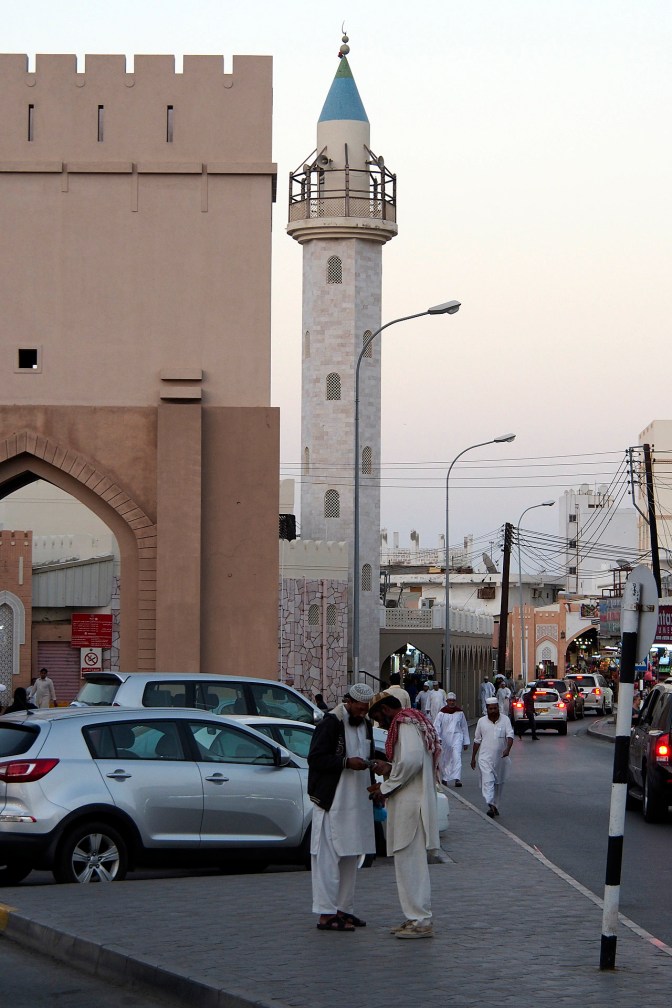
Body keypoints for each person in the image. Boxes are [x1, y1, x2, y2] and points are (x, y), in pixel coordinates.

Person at [307, 682, 383, 932]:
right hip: (333, 801)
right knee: (327, 859)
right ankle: (326, 915)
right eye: (359, 709)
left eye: (365, 710)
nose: (362, 713)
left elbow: (369, 756)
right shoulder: (331, 723)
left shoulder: (366, 725)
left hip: (357, 802)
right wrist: (345, 762)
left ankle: (344, 909)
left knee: (352, 855)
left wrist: (375, 788)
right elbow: (316, 758)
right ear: (348, 702)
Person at [367, 691, 441, 939]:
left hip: (411, 805)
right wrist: (389, 770)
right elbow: (405, 762)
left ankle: (420, 920)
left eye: (378, 717)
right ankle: (414, 917)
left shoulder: (405, 724)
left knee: (411, 863)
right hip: (408, 803)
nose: (379, 724)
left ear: (387, 710)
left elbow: (410, 762)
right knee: (407, 863)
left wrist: (385, 786)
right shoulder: (409, 723)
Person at [470, 696, 514, 817]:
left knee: (498, 784)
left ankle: (495, 805)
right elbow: (477, 740)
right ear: (487, 709)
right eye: (491, 709)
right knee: (488, 781)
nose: (493, 711)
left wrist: (508, 749)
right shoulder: (481, 721)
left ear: (498, 708)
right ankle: (490, 804)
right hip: (485, 758)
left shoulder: (505, 720)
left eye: (495, 708)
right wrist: (473, 757)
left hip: (501, 759)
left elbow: (510, 736)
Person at [434, 692, 469, 787]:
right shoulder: (442, 713)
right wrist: (438, 738)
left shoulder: (460, 713)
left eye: (453, 701)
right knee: (445, 758)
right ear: (447, 701)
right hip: (445, 738)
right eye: (450, 701)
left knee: (457, 757)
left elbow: (464, 727)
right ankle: (445, 777)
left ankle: (457, 778)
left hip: (457, 737)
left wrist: (466, 741)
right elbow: (436, 726)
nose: (452, 702)